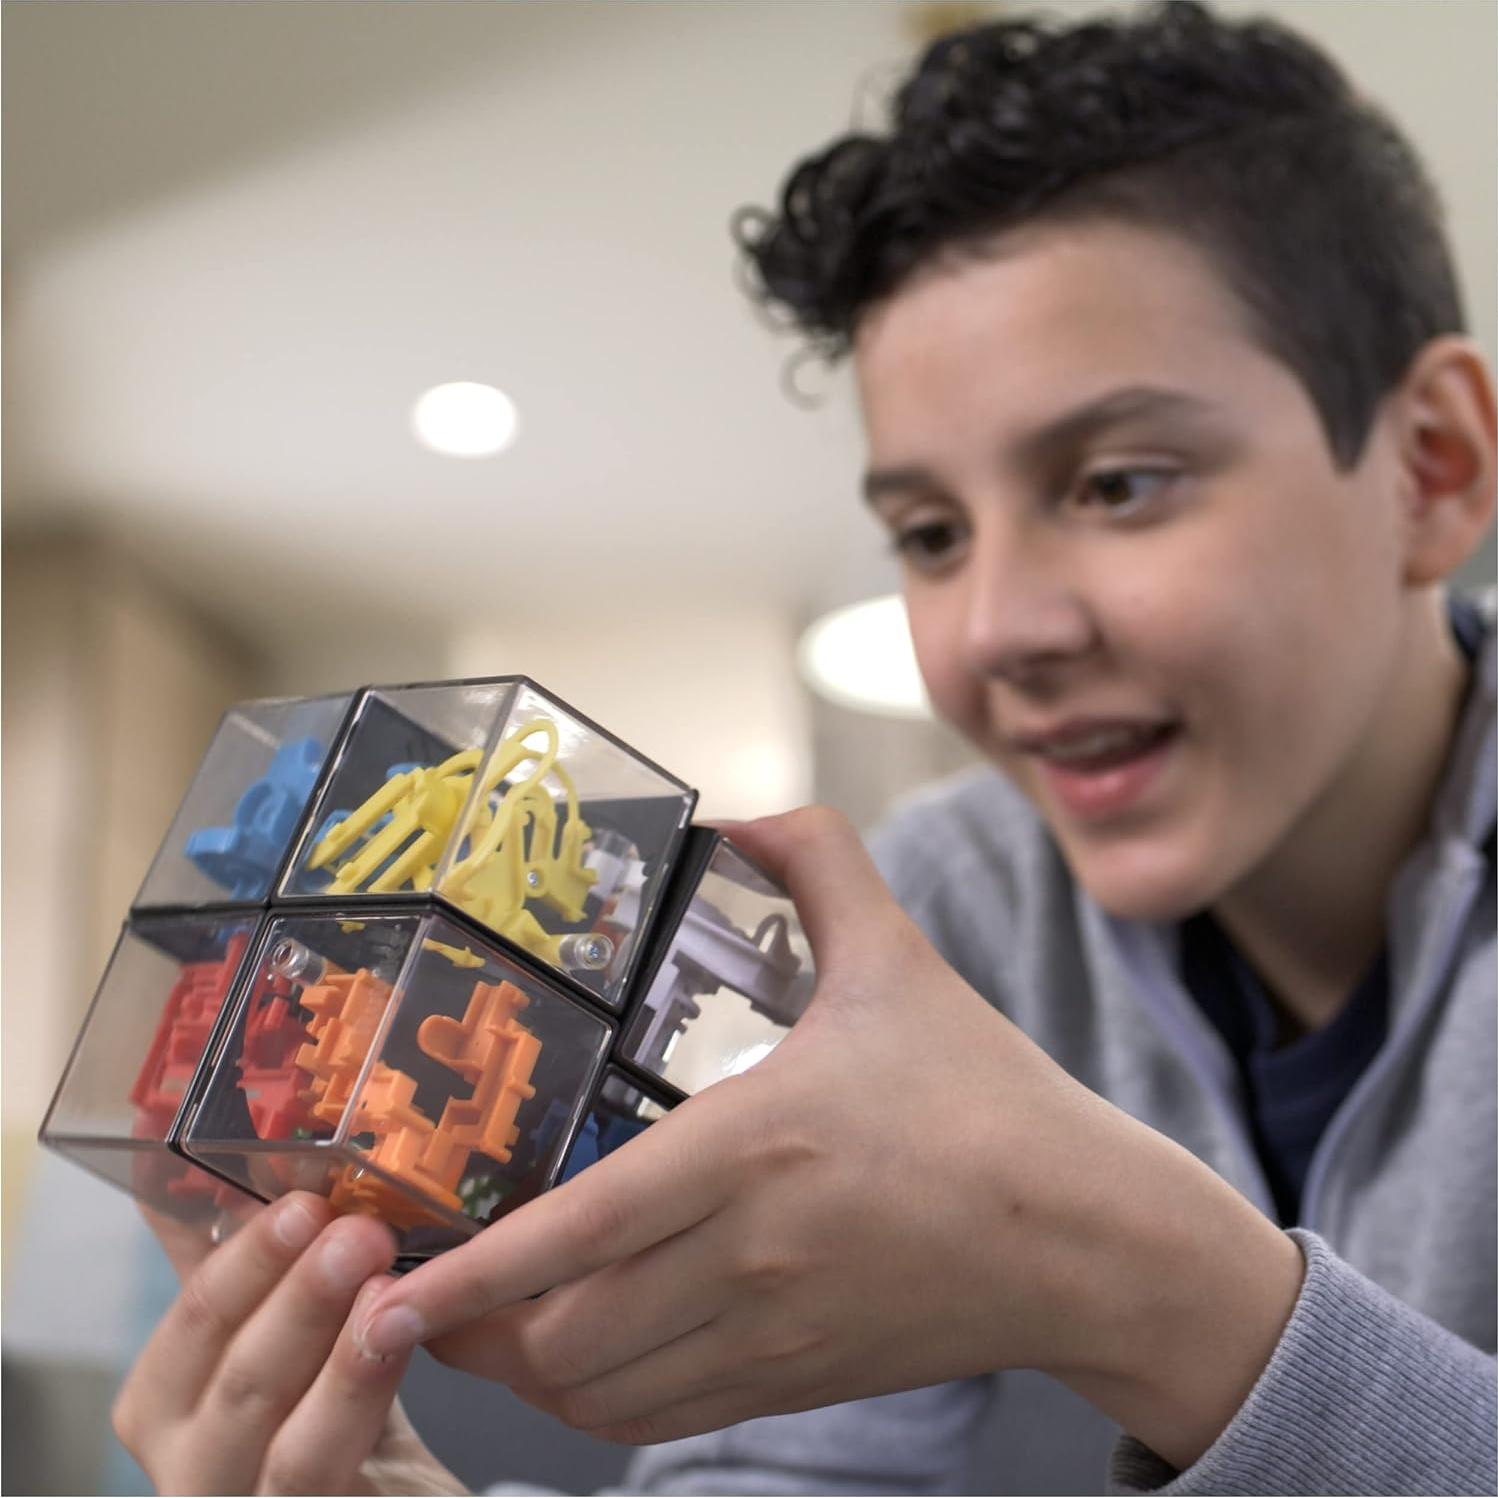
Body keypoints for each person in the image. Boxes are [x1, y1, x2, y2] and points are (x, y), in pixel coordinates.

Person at [112, 2, 1495, 1493]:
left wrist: (1140, 1272)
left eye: (1117, 481)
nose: (995, 628)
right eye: (928, 533)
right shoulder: (950, 905)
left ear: (1429, 468)